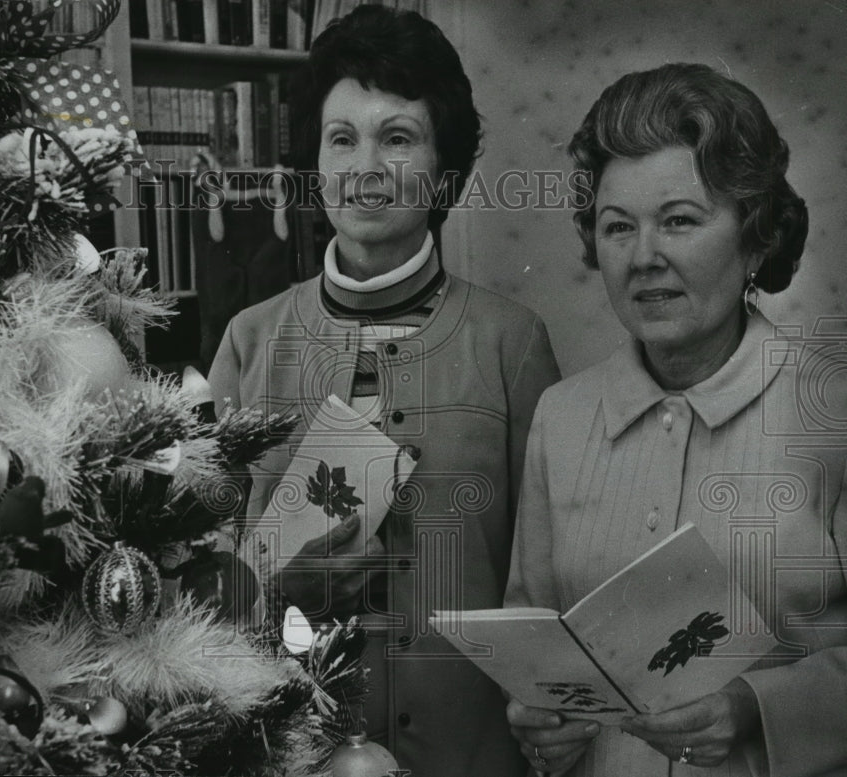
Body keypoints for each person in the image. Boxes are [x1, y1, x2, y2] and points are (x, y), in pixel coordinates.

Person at [209, 6, 560, 776]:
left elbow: (545, 582)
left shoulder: (513, 342)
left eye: (397, 137)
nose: (365, 166)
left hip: (473, 754)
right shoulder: (248, 340)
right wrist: (267, 585)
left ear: (442, 169)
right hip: (283, 750)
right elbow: (197, 588)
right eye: (342, 139)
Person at [503, 62, 847, 777]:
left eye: (680, 221)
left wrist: (759, 706)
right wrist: (540, 727)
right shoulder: (561, 419)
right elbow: (531, 646)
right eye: (617, 226)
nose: (644, 257)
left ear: (755, 237)